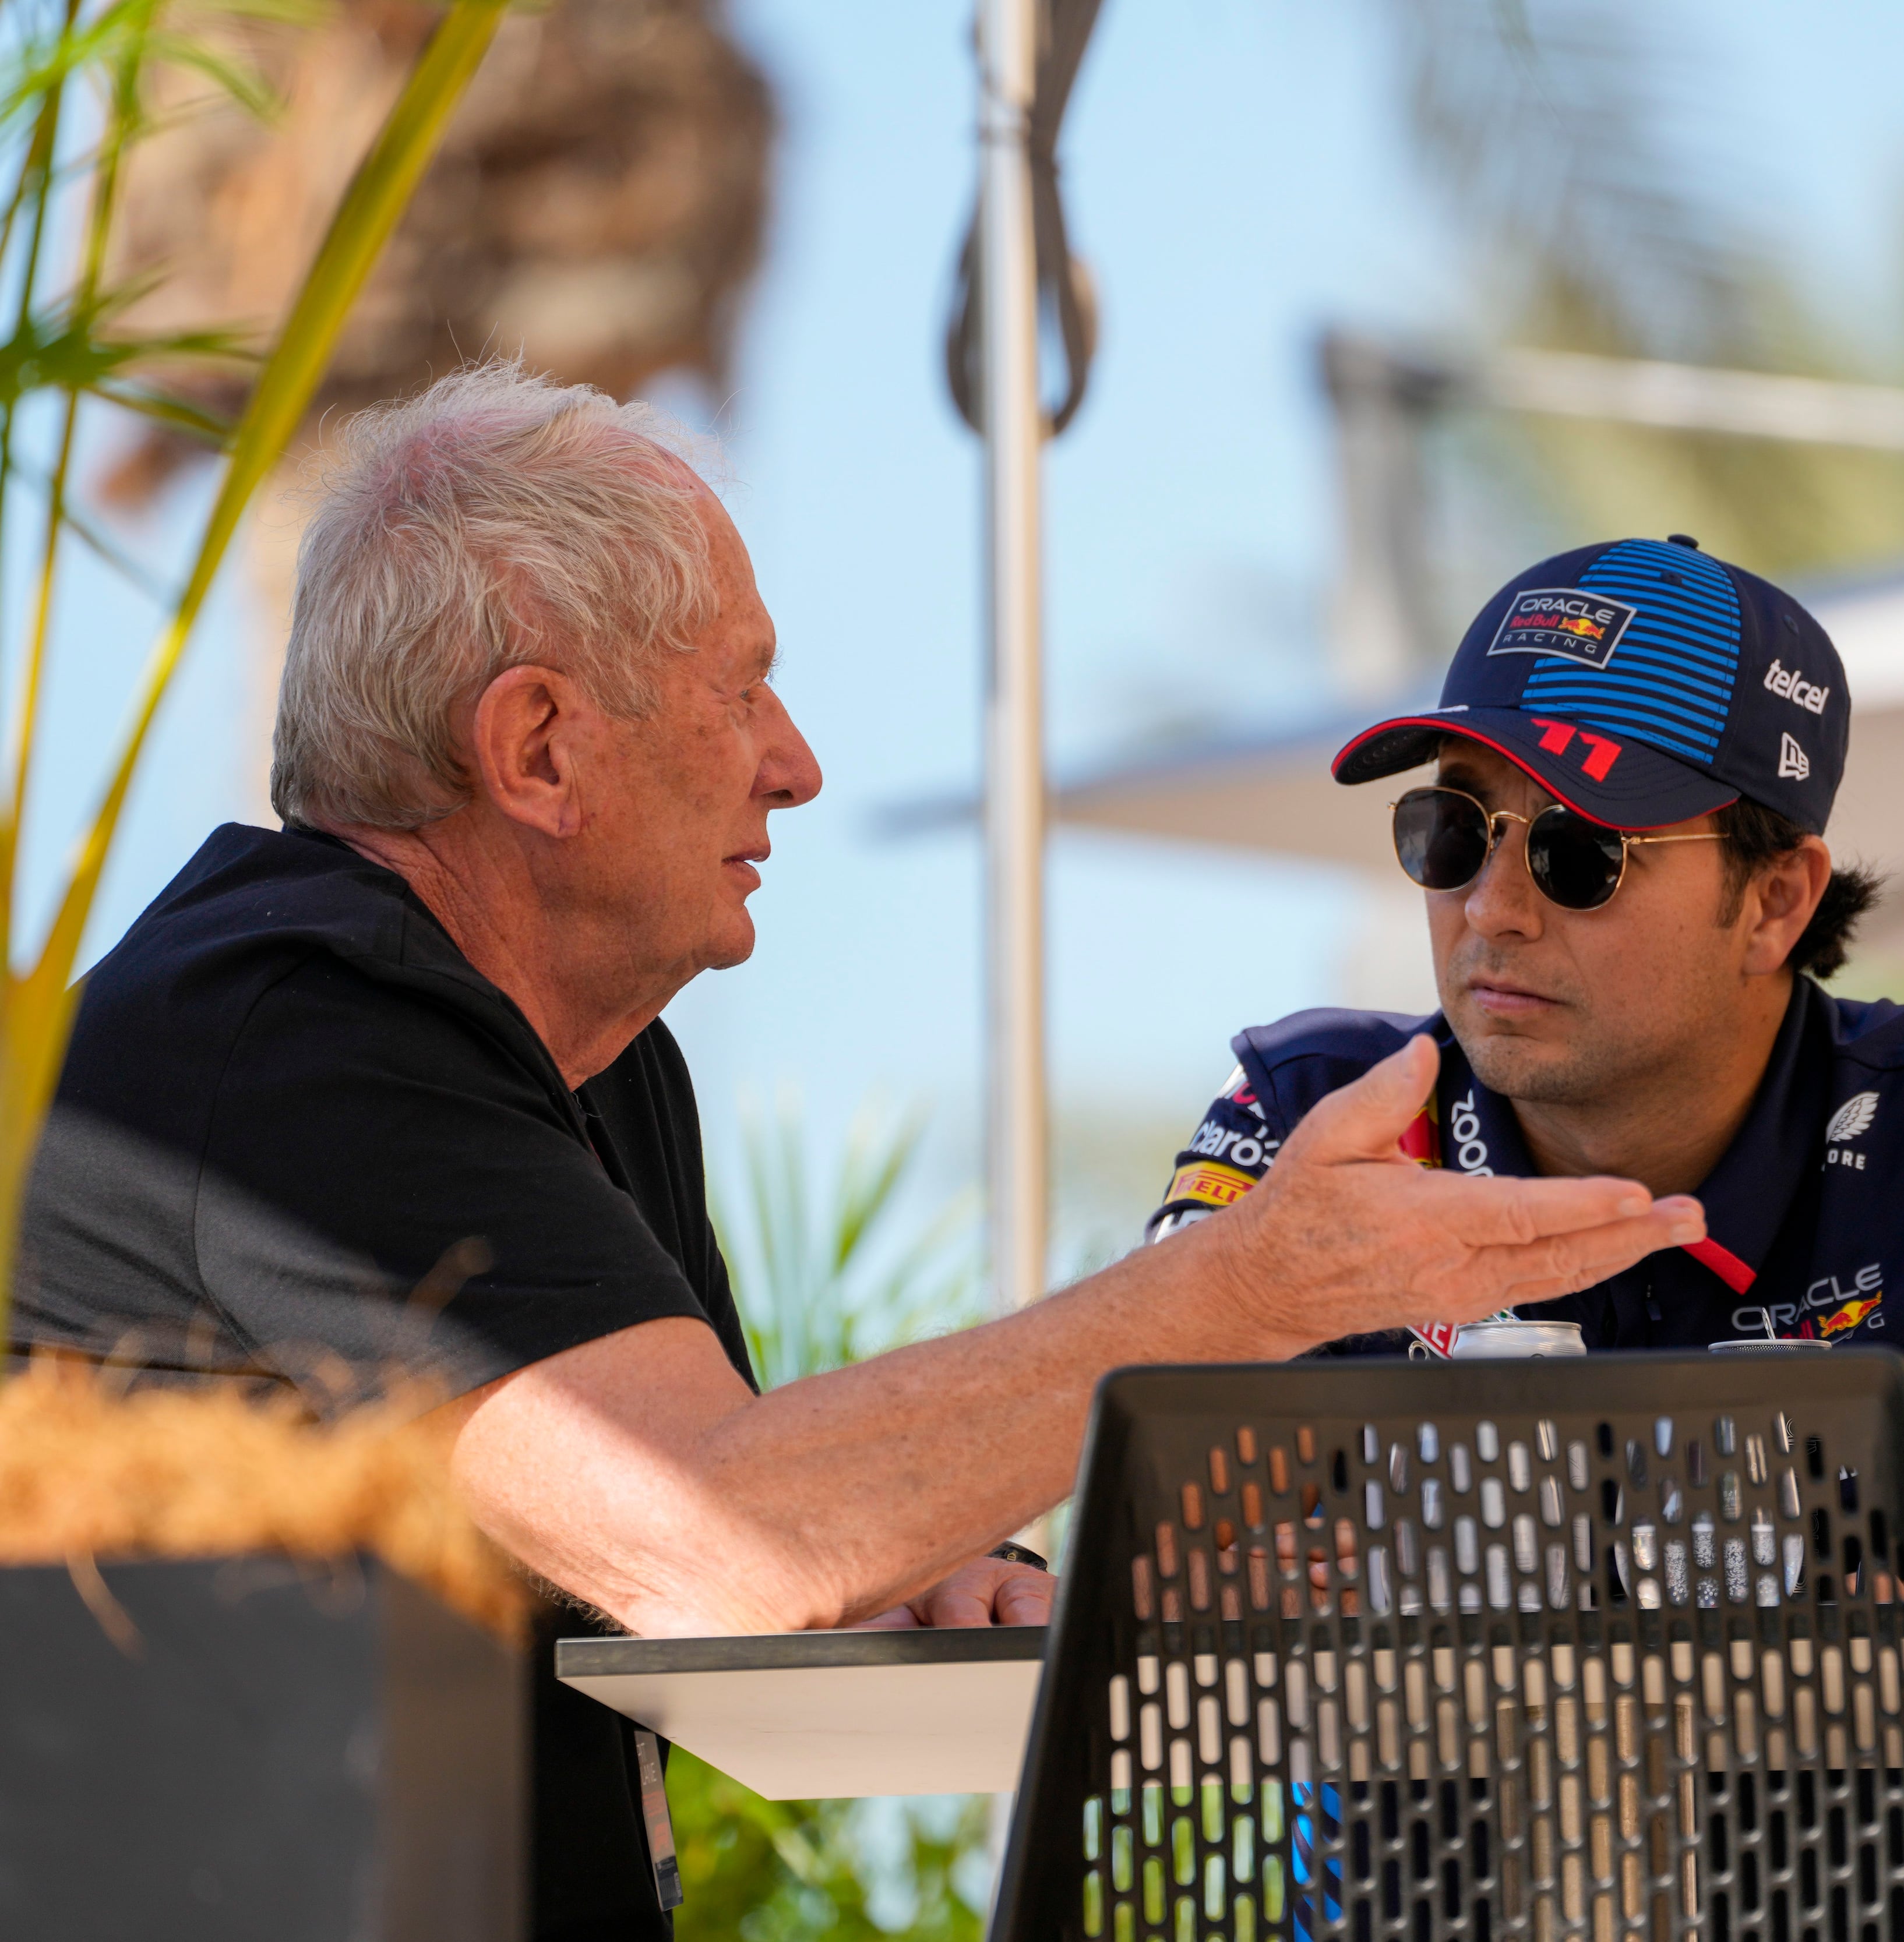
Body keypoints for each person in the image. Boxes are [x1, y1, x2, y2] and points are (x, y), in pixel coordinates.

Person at [8, 362, 1703, 1941]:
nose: (796, 761)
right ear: (535, 747)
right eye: (740, 687)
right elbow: (715, 1536)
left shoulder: (587, 1054)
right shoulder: (303, 1031)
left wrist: (938, 1570)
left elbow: (729, 1561)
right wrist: (1250, 1282)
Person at [1150, 536, 1904, 1583]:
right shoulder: (1310, 1108)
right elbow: (1142, 1550)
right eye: (1451, 827)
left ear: (1775, 902)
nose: (1490, 906)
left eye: (1582, 850)